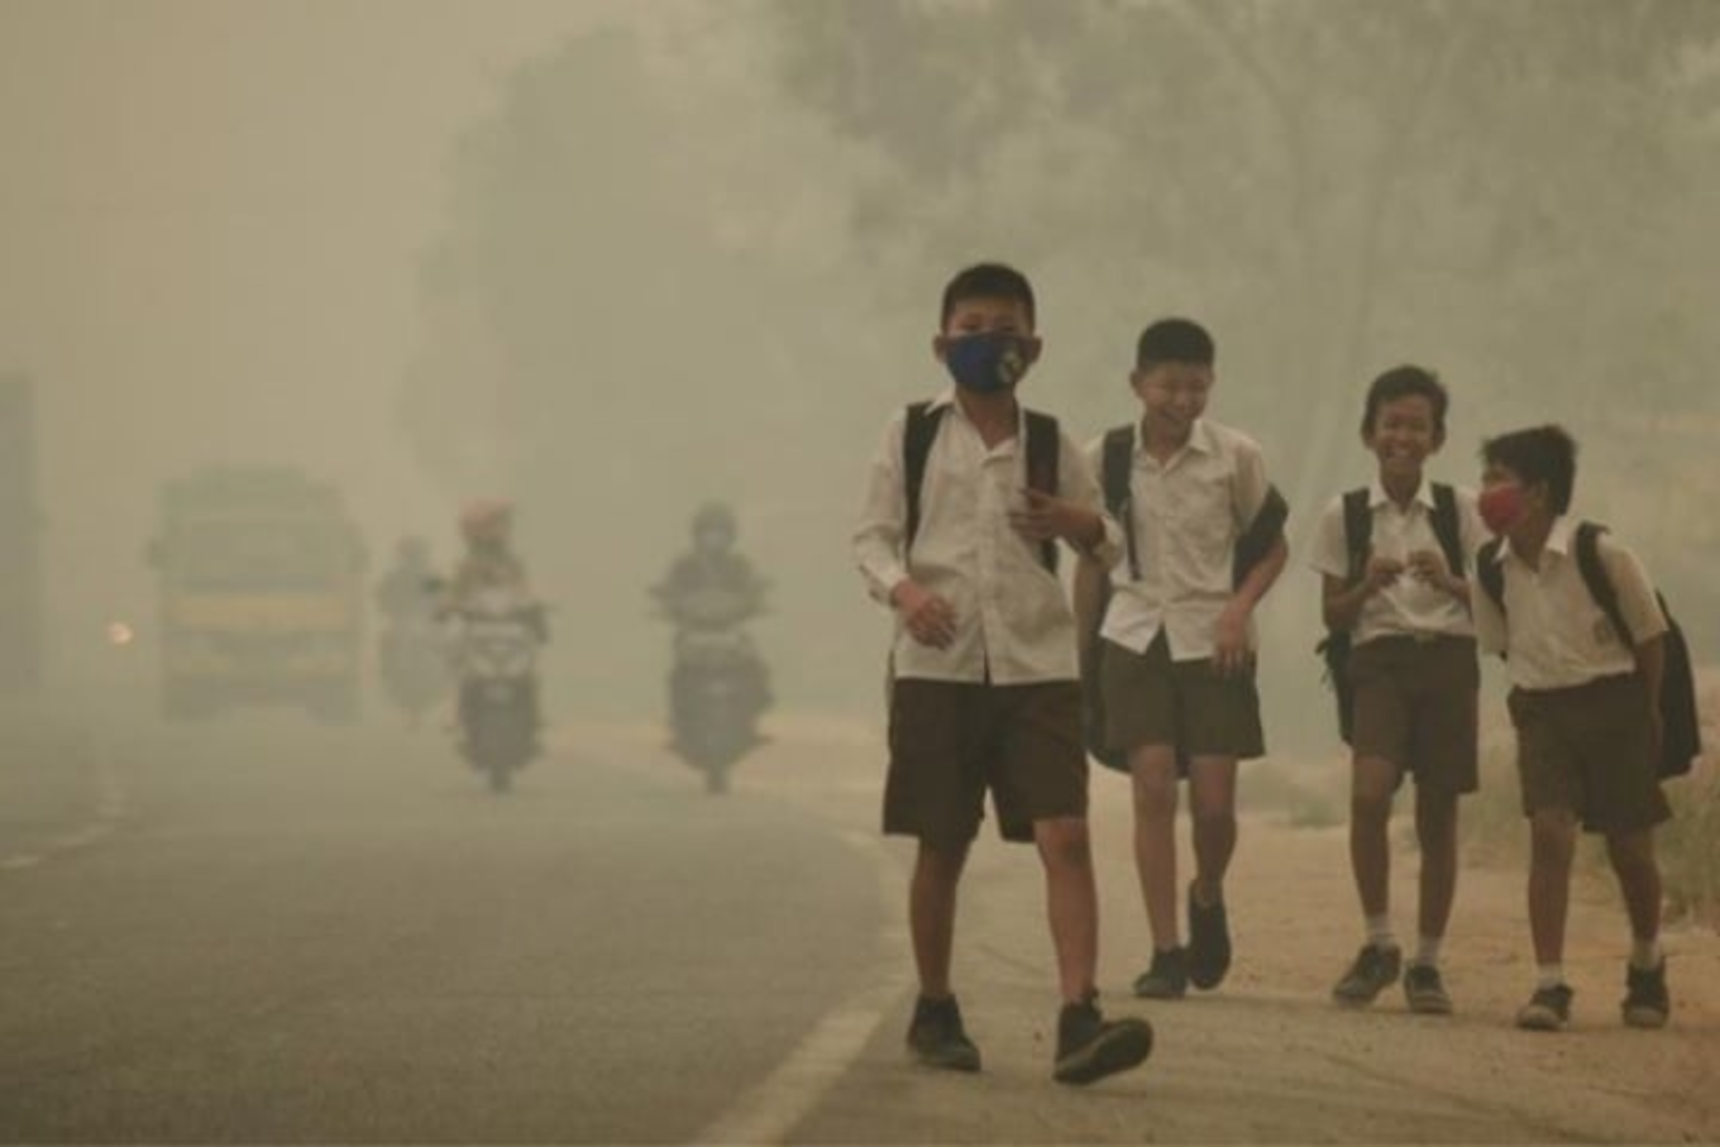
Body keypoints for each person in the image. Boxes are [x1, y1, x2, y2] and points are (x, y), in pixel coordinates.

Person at [852, 261, 1152, 1085]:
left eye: (1006, 328)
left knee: (1068, 833)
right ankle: (936, 1006)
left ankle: (1077, 1014)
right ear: (942, 343)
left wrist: (1079, 520)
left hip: (1037, 664)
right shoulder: (911, 431)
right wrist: (905, 589)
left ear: (1036, 345)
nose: (991, 342)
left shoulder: (1054, 442)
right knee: (942, 840)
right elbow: (871, 537)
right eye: (974, 327)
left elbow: (1111, 541)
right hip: (936, 667)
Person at [1076, 317, 1287, 1000]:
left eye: (1196, 386)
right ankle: (1166, 949)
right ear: (1139, 384)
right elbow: (1091, 563)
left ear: (1211, 385)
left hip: (1214, 639)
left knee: (1218, 805)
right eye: (1168, 385)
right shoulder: (1103, 459)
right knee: (1153, 784)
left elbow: (1272, 545)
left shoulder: (1235, 456)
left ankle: (1207, 892)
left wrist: (1238, 610)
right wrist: (1083, 653)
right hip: (1133, 634)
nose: (1182, 400)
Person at [1472, 425, 1672, 1032]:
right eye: (1485, 479)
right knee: (1550, 834)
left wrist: (1649, 710)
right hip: (1541, 708)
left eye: (1498, 479)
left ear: (1539, 492)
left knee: (1630, 847)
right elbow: (1504, 646)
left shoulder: (1601, 552)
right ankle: (1550, 981)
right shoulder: (1488, 568)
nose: (1486, 494)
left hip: (1615, 703)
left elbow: (1650, 634)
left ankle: (1646, 960)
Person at [1310, 366, 1487, 1014]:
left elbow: (1497, 601)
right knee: (1369, 793)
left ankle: (1427, 961)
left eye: (1417, 425)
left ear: (1436, 437)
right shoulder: (1347, 513)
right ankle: (1379, 939)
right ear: (1369, 432)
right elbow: (1333, 614)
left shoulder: (1462, 509)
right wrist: (1366, 586)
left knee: (1438, 811)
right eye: (1392, 423)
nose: (1403, 436)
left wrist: (1448, 581)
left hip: (1447, 660)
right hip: (1378, 661)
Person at [651, 502, 771, 754]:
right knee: (678, 672)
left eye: (720, 532)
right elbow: (670, 591)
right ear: (697, 534)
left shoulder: (739, 565)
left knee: (754, 663)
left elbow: (752, 590)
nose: (714, 538)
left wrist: (756, 601)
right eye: (708, 532)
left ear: (731, 535)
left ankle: (753, 710)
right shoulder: (684, 566)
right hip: (694, 631)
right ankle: (679, 716)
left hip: (729, 629)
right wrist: (667, 604)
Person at [375, 535, 437, 623]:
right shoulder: (394, 578)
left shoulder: (431, 578)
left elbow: (438, 601)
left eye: (415, 553)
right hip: (403, 624)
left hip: (424, 625)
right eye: (410, 553)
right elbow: (383, 597)